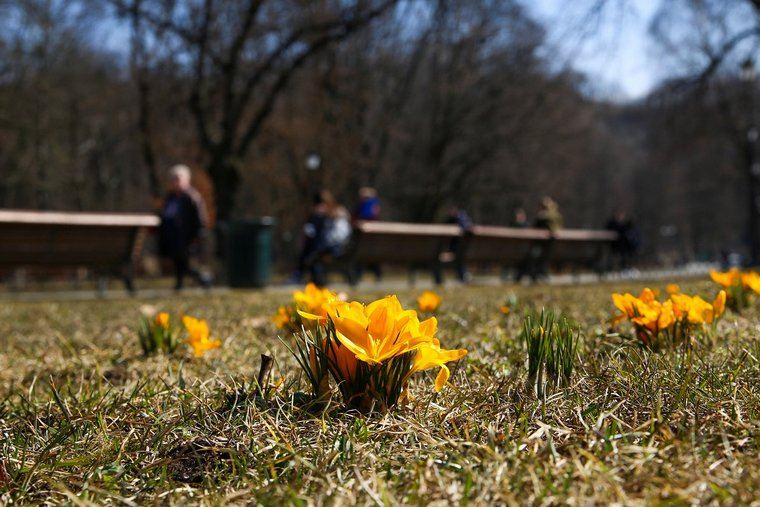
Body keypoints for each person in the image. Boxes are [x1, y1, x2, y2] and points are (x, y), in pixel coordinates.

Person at [158, 165, 211, 290]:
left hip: (188, 237)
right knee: (178, 263)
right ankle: (180, 284)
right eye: (173, 178)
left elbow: (201, 219)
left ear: (187, 179)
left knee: (187, 264)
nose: (175, 181)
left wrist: (198, 235)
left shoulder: (192, 197)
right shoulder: (170, 197)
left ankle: (204, 279)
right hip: (173, 236)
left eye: (178, 178)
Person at [353, 187, 382, 281]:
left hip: (366, 235)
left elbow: (364, 216)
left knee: (361, 255)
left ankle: (357, 276)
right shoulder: (375, 204)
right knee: (371, 256)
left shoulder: (368, 204)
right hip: (372, 236)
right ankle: (377, 274)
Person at [445, 206, 474, 283]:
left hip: (458, 249)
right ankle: (464, 275)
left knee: (458, 255)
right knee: (459, 256)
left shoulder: (456, 220)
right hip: (467, 250)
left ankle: (463, 275)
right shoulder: (466, 220)